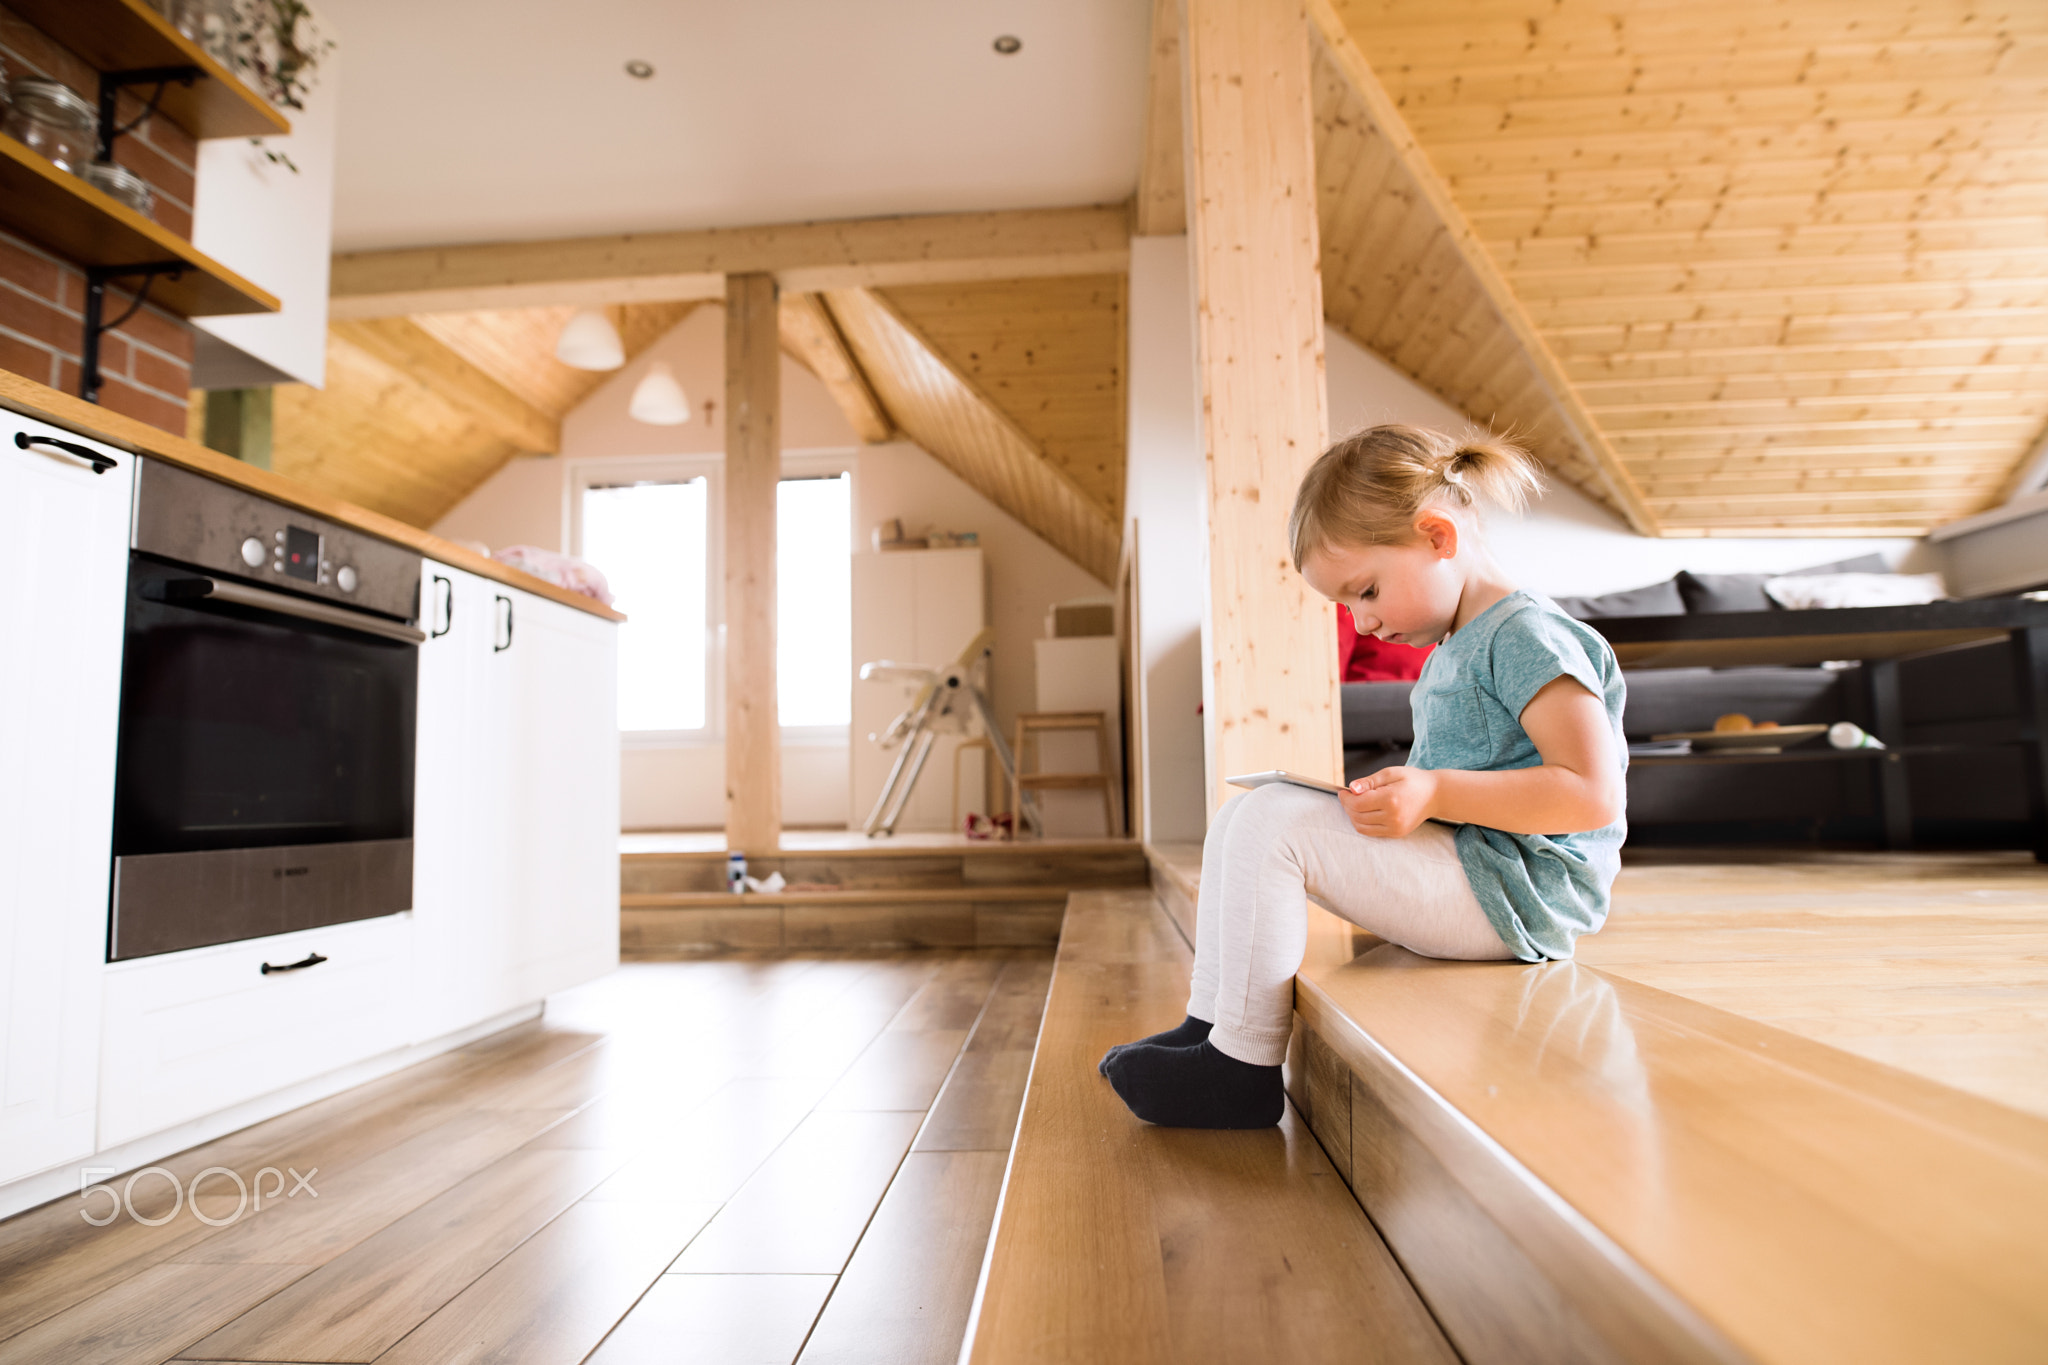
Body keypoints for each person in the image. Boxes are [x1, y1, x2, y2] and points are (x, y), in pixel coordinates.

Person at [1100, 424, 1630, 1128]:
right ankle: (1210, 1027)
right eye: (1349, 605)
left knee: (1270, 825)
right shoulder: (1456, 644)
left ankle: (1242, 1066)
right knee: (1249, 812)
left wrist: (1436, 790)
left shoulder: (1527, 635)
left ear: (1438, 537)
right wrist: (1410, 795)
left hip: (1521, 895)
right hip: (1480, 868)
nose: (1364, 620)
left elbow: (1593, 793)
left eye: (1367, 591)